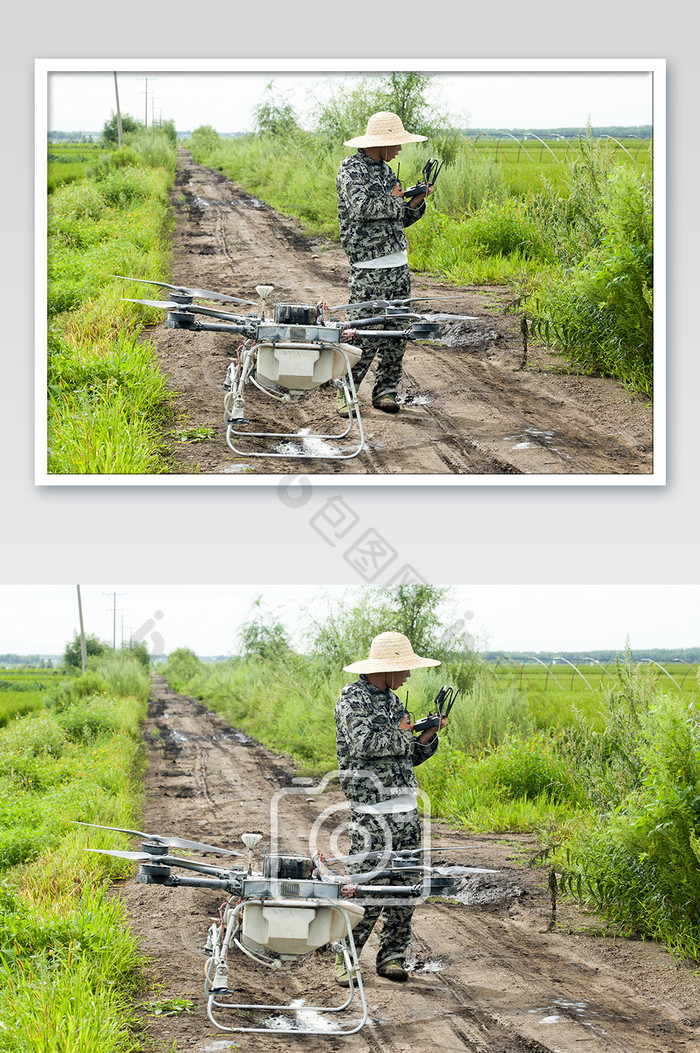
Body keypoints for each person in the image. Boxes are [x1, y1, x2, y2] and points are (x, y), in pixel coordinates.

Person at [333, 631, 446, 985]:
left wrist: (425, 738)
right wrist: (403, 733)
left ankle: (393, 957)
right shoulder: (352, 700)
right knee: (367, 884)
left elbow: (406, 755)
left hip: (406, 808)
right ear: (386, 668)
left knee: (406, 884)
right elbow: (364, 743)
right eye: (405, 668)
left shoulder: (395, 702)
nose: (409, 675)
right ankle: (346, 958)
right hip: (372, 810)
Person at [335, 112, 433, 416]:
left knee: (397, 331)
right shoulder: (351, 170)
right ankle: (346, 392)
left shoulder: (388, 173)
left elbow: (398, 218)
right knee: (364, 331)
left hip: (397, 265)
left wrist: (415, 201)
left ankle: (387, 391)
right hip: (368, 266)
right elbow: (362, 208)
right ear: (381, 143)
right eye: (397, 143)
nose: (401, 148)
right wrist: (397, 198)